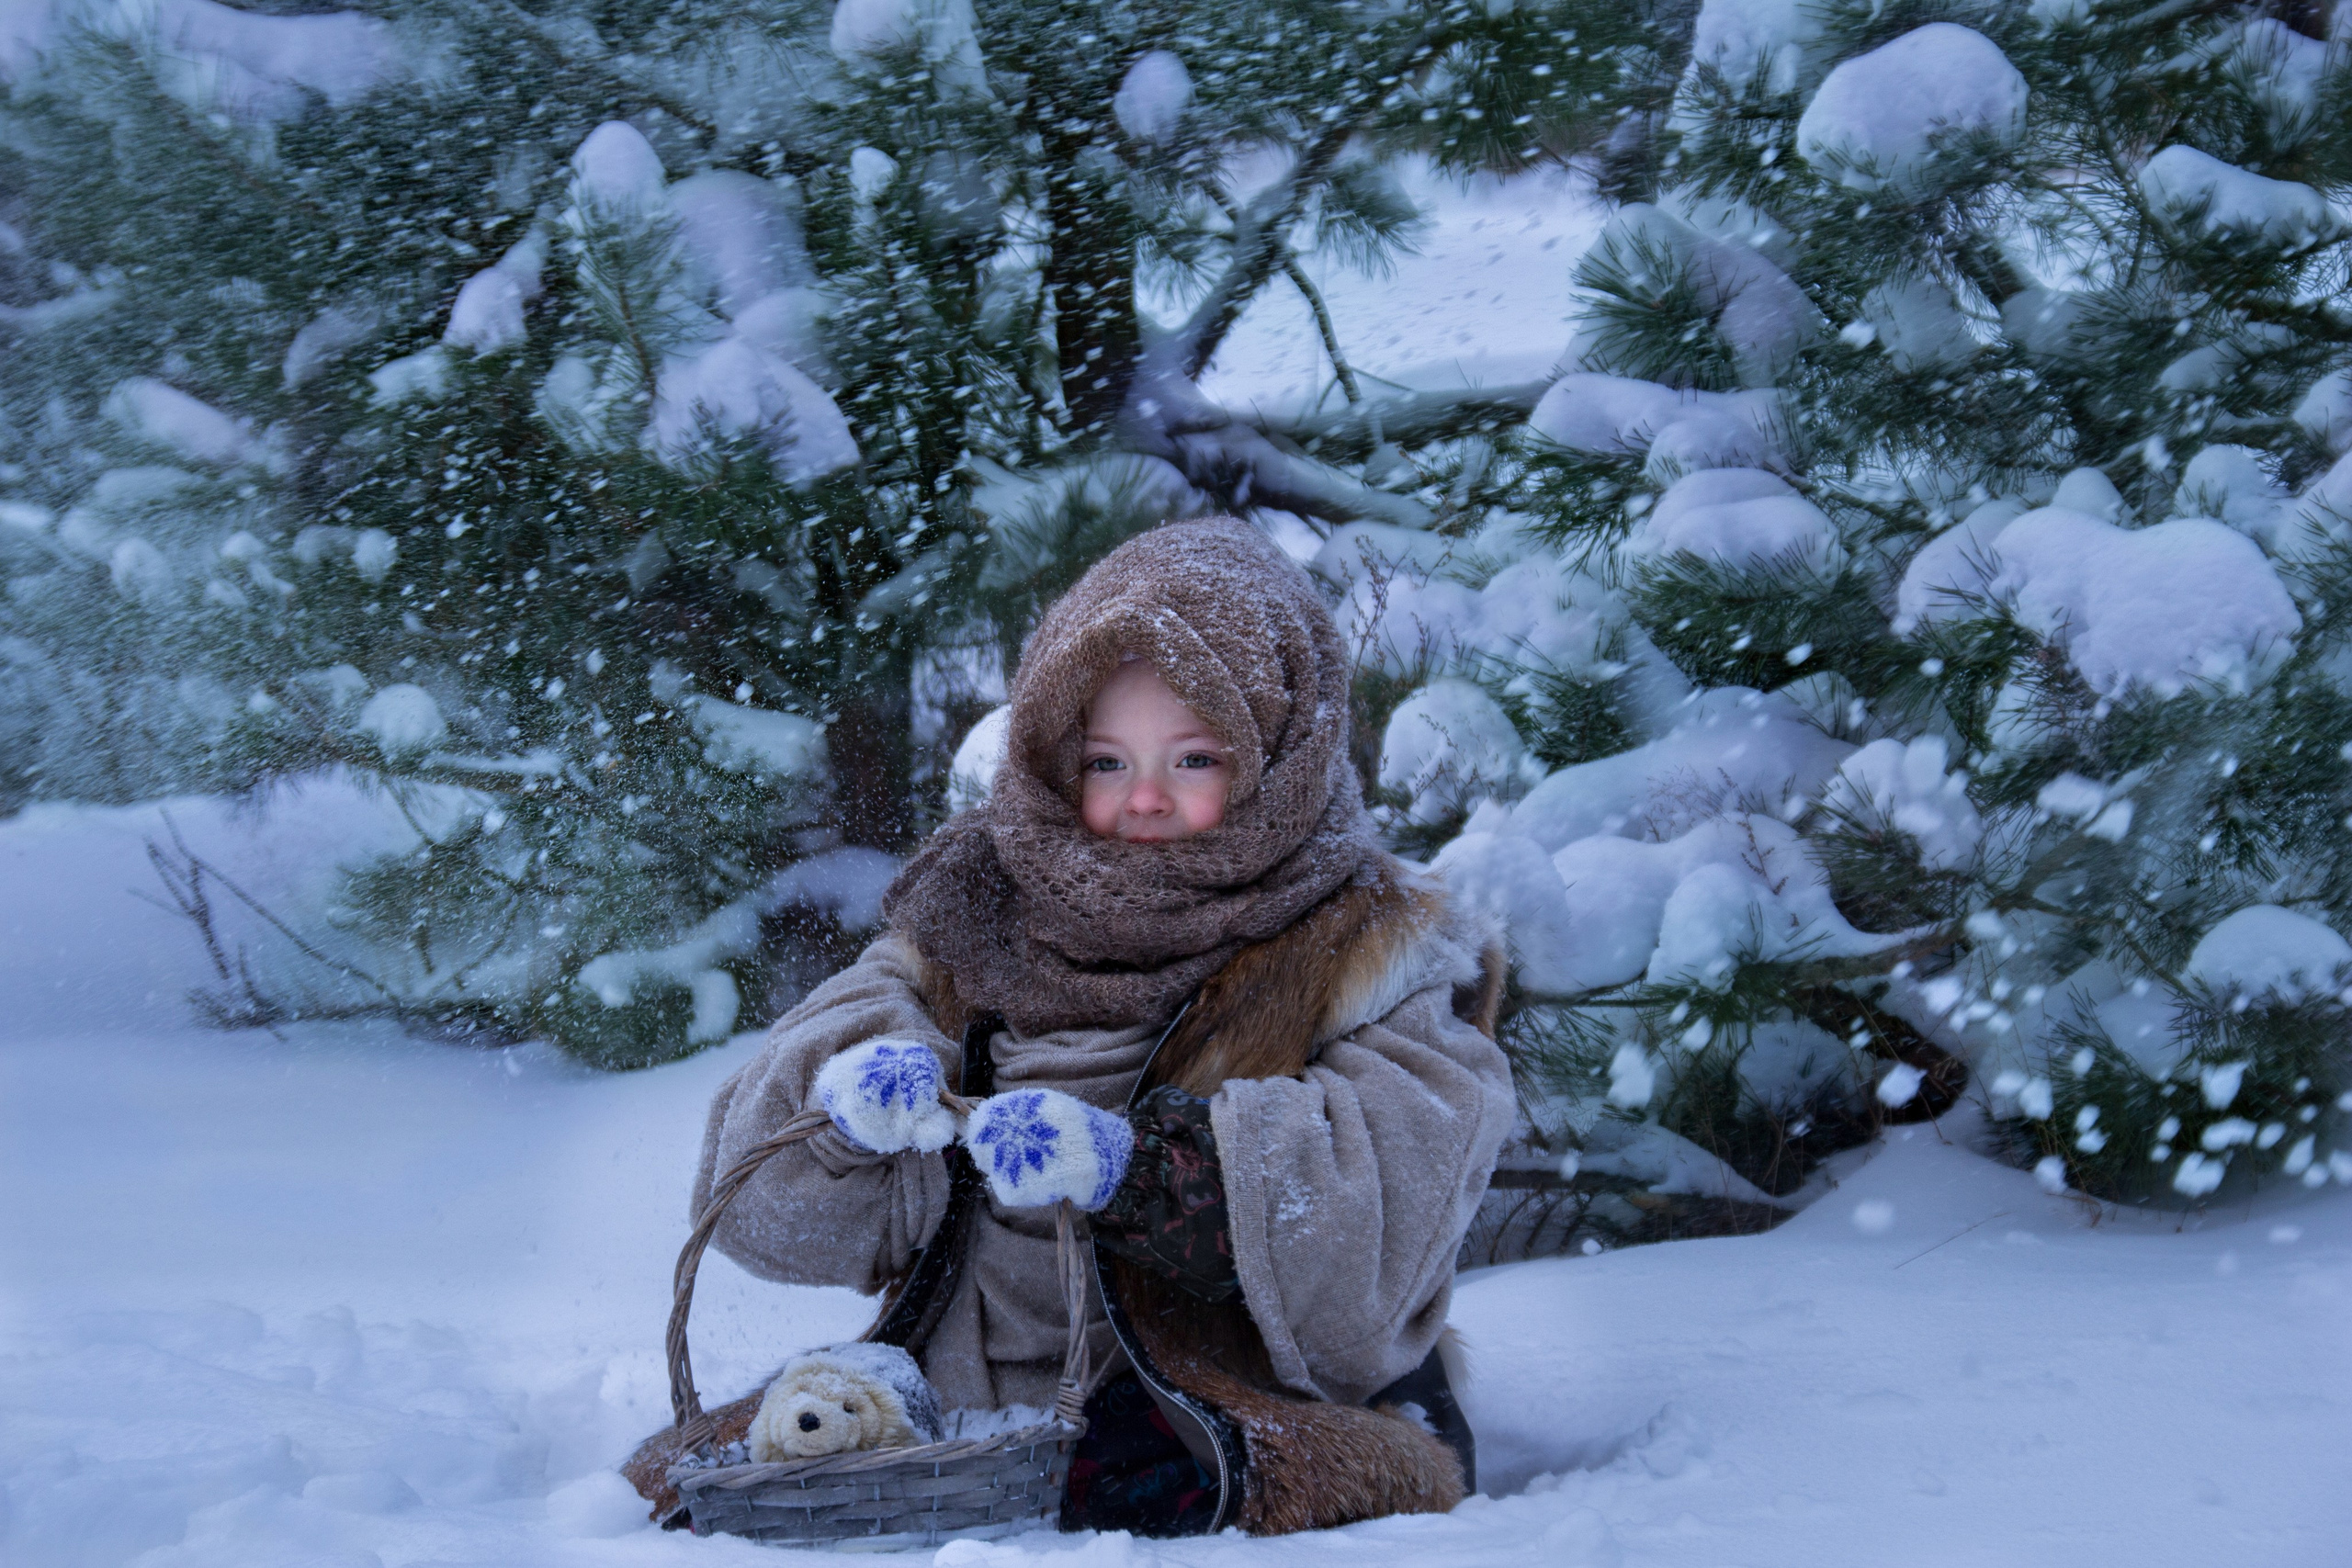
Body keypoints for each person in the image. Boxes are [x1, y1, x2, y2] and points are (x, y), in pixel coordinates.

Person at [676, 517, 1512, 1536]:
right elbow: (762, 1212)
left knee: (1134, 1479)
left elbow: (1396, 1189)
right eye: (1107, 761)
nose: (1145, 798)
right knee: (719, 1479)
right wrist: (849, 1107)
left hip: (1209, 1390)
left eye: (1195, 758)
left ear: (1279, 758)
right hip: (965, 1384)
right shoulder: (978, 907)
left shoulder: (1362, 939)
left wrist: (1143, 1171)